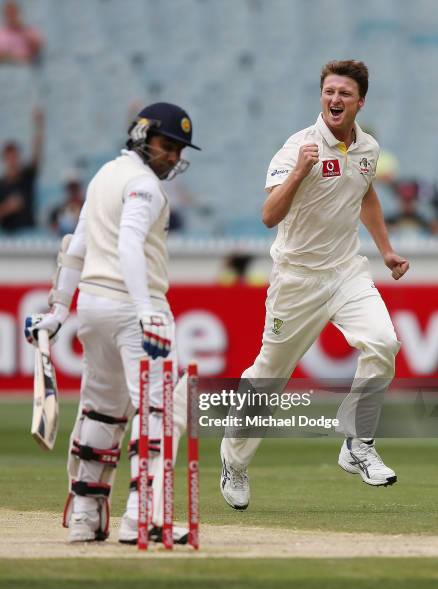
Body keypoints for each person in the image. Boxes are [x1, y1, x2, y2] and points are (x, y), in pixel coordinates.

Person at [220, 60, 409, 511]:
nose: (335, 100)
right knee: (269, 377)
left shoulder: (367, 148)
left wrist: (384, 249)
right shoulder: (297, 147)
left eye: (344, 93)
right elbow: (269, 216)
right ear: (320, 97)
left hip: (346, 270)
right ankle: (234, 460)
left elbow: (365, 192)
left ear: (360, 101)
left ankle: (356, 443)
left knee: (384, 343)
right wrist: (299, 173)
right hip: (297, 279)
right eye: (328, 92)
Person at [24, 102, 201, 543]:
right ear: (142, 137)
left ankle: (86, 515)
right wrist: (146, 311)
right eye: (167, 146)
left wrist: (59, 310)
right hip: (134, 308)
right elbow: (128, 245)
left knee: (102, 408)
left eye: (179, 150)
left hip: (93, 307)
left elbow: (76, 245)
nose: (174, 157)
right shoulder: (144, 186)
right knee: (160, 410)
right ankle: (144, 516)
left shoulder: (103, 175)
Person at [0, 108, 44, 233]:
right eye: (10, 157)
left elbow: (37, 153)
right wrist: (8, 207)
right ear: (4, 159)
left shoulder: (27, 176)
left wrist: (39, 125)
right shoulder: (2, 185)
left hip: (29, 234)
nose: (13, 160)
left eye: (15, 156)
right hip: (9, 239)